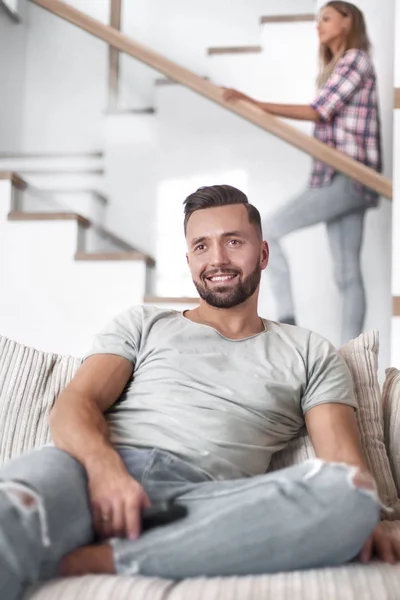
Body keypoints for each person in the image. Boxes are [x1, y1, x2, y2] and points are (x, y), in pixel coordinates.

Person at [0, 185, 397, 599]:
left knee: (350, 494)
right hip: (87, 473)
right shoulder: (143, 324)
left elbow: (346, 467)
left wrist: (358, 516)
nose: (218, 260)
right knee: (9, 509)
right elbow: (75, 404)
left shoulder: (310, 351)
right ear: (189, 260)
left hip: (207, 499)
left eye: (233, 242)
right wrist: (105, 471)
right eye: (202, 247)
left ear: (262, 254)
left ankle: (111, 558)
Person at [223, 1, 382, 344]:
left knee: (271, 229)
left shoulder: (355, 59)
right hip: (342, 179)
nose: (318, 26)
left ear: (346, 21)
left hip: (349, 176)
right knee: (346, 273)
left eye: (326, 18)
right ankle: (352, 351)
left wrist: (255, 102)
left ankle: (287, 318)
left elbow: (319, 111)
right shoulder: (337, 67)